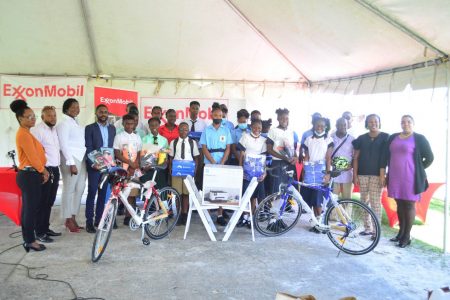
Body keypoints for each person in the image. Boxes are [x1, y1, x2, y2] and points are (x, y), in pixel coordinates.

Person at [383, 115, 433, 248]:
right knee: (399, 204)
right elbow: (387, 155)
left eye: (408, 122)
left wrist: (418, 169)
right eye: (403, 122)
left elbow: (429, 157)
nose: (405, 124)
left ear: (413, 123)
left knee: (409, 205)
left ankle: (407, 236)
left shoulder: (419, 138)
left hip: (411, 177)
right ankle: (400, 232)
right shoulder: (393, 137)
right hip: (395, 176)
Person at [10, 99, 50, 252]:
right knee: (30, 209)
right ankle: (30, 241)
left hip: (30, 175)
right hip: (29, 175)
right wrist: (43, 170)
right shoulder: (23, 134)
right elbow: (32, 157)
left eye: (33, 116)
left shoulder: (26, 133)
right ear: (20, 119)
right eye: (29, 116)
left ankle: (29, 239)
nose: (33, 118)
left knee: (29, 209)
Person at [352, 114, 389, 239]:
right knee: (364, 201)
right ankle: (367, 228)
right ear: (366, 123)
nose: (373, 123)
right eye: (370, 121)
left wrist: (383, 175)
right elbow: (355, 157)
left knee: (375, 203)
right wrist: (355, 174)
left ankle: (376, 231)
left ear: (379, 122)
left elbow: (386, 158)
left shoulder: (385, 137)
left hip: (377, 176)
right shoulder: (361, 138)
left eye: (375, 121)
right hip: (362, 174)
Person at [30, 106, 61, 242]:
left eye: (54, 115)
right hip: (45, 170)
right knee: (42, 202)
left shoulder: (53, 129)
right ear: (42, 117)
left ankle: (45, 228)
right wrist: (42, 171)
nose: (52, 118)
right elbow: (35, 152)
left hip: (55, 168)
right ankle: (39, 232)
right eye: (49, 115)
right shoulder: (37, 130)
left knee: (50, 201)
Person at [56, 98, 87, 232]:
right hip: (71, 159)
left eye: (77, 106)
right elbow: (63, 145)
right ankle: (67, 219)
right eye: (73, 107)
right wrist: (71, 163)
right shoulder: (63, 124)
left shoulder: (75, 122)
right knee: (69, 189)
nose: (76, 109)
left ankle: (73, 216)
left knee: (80, 188)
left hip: (81, 157)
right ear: (66, 108)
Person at [84, 104, 116, 233]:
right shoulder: (90, 128)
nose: (103, 114)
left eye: (105, 112)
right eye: (101, 112)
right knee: (92, 193)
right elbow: (89, 147)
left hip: (108, 166)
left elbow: (112, 147)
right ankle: (89, 222)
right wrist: (95, 163)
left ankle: (99, 220)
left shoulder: (112, 129)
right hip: (94, 166)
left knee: (103, 195)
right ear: (96, 113)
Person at [200, 106, 233, 226]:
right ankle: (208, 215)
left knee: (222, 189)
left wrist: (222, 162)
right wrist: (213, 162)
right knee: (208, 189)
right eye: (216, 115)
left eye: (220, 116)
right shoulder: (207, 130)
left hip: (222, 163)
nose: (218, 118)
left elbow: (228, 148)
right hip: (209, 162)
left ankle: (219, 214)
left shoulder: (226, 130)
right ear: (211, 116)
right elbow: (204, 147)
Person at [302, 117, 333, 230]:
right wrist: (304, 172)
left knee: (317, 198)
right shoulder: (308, 139)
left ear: (325, 127)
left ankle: (319, 221)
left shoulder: (328, 140)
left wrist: (328, 173)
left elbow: (328, 158)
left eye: (322, 126)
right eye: (317, 125)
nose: (320, 127)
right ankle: (314, 221)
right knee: (310, 196)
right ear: (314, 125)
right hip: (310, 171)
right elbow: (307, 157)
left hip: (321, 171)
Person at [113, 114, 142, 226]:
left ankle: (129, 216)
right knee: (122, 193)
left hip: (134, 169)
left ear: (135, 124)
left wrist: (135, 165)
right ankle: (120, 214)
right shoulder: (119, 137)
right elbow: (117, 153)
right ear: (123, 124)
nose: (130, 126)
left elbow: (139, 153)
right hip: (123, 169)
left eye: (132, 123)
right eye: (127, 123)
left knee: (133, 193)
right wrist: (129, 164)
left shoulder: (137, 137)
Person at [168, 122, 200, 225]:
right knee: (177, 193)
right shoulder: (173, 142)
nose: (183, 131)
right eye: (181, 129)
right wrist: (170, 169)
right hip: (177, 170)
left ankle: (184, 214)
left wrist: (194, 171)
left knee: (186, 193)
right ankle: (178, 214)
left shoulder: (192, 142)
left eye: (185, 130)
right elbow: (171, 157)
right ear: (178, 130)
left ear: (188, 131)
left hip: (188, 171)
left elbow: (196, 158)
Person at [237, 119, 267, 228]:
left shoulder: (263, 140)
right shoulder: (245, 137)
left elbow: (264, 158)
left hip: (258, 170)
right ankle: (244, 217)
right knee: (245, 194)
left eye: (259, 128)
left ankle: (251, 217)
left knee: (254, 195)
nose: (257, 130)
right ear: (251, 127)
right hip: (247, 170)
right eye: (255, 127)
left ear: (262, 129)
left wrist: (264, 172)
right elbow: (241, 155)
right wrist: (241, 170)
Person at [266, 108, 298, 195]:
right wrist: (283, 157)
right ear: (278, 119)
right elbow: (269, 149)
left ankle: (287, 208)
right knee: (277, 189)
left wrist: (295, 157)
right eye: (282, 118)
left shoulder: (291, 132)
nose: (284, 120)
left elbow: (293, 148)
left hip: (290, 164)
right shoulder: (273, 131)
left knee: (289, 189)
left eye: (286, 118)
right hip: (277, 163)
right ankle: (276, 208)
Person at [140, 117, 169, 189]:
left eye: (156, 125)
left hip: (160, 170)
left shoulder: (164, 140)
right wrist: (144, 167)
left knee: (160, 192)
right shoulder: (144, 139)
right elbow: (141, 155)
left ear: (159, 126)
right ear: (149, 126)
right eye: (152, 125)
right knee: (147, 193)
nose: (154, 127)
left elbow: (166, 155)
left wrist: (164, 161)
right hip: (147, 170)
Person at [331, 117, 355, 200]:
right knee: (333, 200)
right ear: (336, 126)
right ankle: (332, 213)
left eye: (345, 125)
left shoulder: (352, 139)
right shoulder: (331, 138)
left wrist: (350, 166)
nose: (343, 127)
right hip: (334, 173)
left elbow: (355, 157)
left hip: (347, 173)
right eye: (340, 125)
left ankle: (346, 214)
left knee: (347, 200)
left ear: (347, 125)